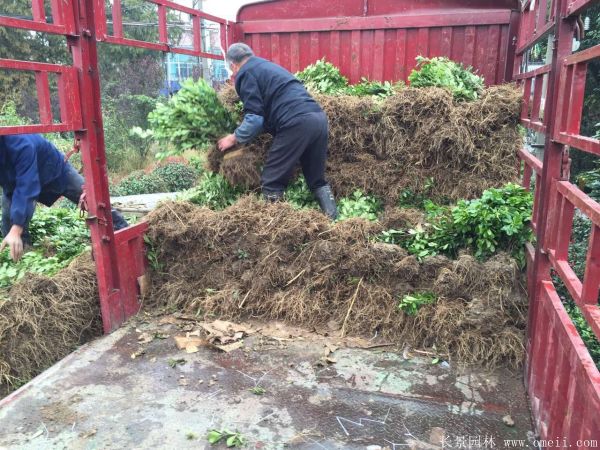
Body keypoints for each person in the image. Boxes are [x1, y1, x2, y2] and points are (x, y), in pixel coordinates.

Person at [217, 43, 338, 219]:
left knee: (272, 180)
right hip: (318, 119)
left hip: (296, 122)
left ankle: (275, 228)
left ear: (233, 65)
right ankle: (333, 221)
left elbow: (255, 118)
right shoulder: (268, 66)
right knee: (316, 178)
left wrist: (234, 138)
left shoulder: (245, 73)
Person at [0, 134, 128, 262]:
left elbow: (27, 186)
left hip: (55, 171)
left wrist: (17, 228)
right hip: (14, 183)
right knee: (8, 222)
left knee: (93, 201)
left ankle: (125, 235)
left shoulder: (21, 145)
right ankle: (24, 260)